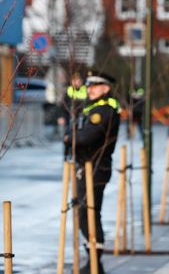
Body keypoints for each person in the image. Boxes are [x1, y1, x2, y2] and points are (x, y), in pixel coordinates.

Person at [64, 69, 120, 273]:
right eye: (89, 86)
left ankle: (95, 262)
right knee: (85, 214)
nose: (91, 89)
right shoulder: (93, 108)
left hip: (95, 166)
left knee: (89, 213)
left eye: (95, 86)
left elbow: (87, 137)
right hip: (88, 166)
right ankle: (94, 261)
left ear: (105, 88)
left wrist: (70, 138)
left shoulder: (103, 110)